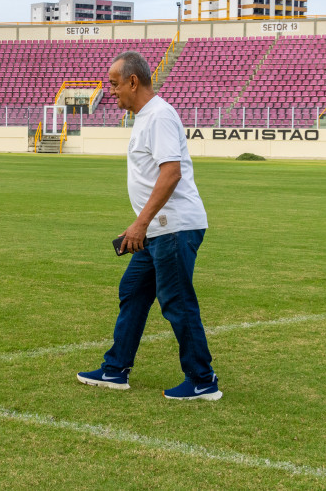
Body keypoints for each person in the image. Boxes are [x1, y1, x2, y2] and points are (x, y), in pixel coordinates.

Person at [77, 51, 220, 400]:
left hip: (172, 227)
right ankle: (115, 370)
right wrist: (141, 226)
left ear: (133, 81)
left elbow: (171, 172)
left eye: (113, 85)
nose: (110, 92)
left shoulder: (158, 116)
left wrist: (140, 224)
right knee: (134, 292)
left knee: (176, 301)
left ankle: (203, 381)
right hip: (156, 229)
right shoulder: (144, 117)